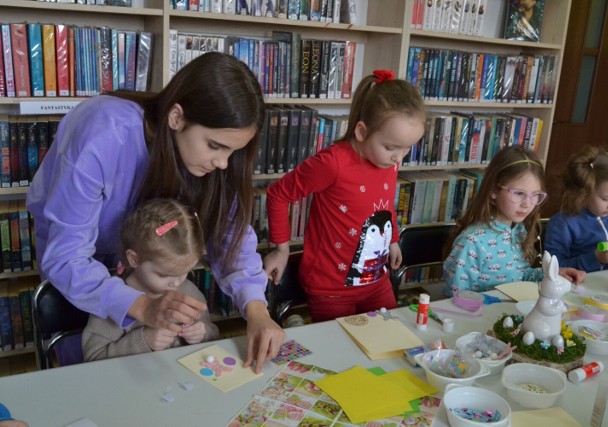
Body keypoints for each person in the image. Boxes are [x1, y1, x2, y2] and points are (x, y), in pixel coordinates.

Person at [26, 52, 284, 373]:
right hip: (80, 275)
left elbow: (233, 238)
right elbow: (66, 258)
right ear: (177, 117)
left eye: (234, 151)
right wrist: (144, 306)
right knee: (96, 372)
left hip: (141, 274)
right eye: (215, 146)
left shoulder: (210, 163)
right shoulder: (103, 132)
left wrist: (258, 312)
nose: (223, 163)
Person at [263, 70, 426, 322]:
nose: (399, 158)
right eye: (391, 147)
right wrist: (281, 249)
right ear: (361, 132)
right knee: (342, 355)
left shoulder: (389, 162)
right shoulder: (333, 163)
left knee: (392, 342)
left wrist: (393, 240)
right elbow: (278, 194)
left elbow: (384, 205)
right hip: (331, 289)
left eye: (407, 148)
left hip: (376, 280)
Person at [82, 199, 220, 361]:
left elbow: (213, 334)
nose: (176, 283)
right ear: (134, 259)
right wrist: (144, 340)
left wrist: (202, 334)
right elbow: (93, 358)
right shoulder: (111, 299)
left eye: (185, 272)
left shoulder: (188, 290)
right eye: (163, 275)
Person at [443, 145, 585, 297]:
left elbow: (519, 276)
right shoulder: (472, 242)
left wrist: (552, 275)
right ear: (494, 190)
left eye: (535, 194)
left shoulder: (519, 230)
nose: (527, 203)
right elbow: (455, 298)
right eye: (518, 193)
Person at [545, 136, 608, 272]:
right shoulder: (563, 224)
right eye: (606, 198)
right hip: (575, 289)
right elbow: (553, 268)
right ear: (584, 191)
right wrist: (596, 258)